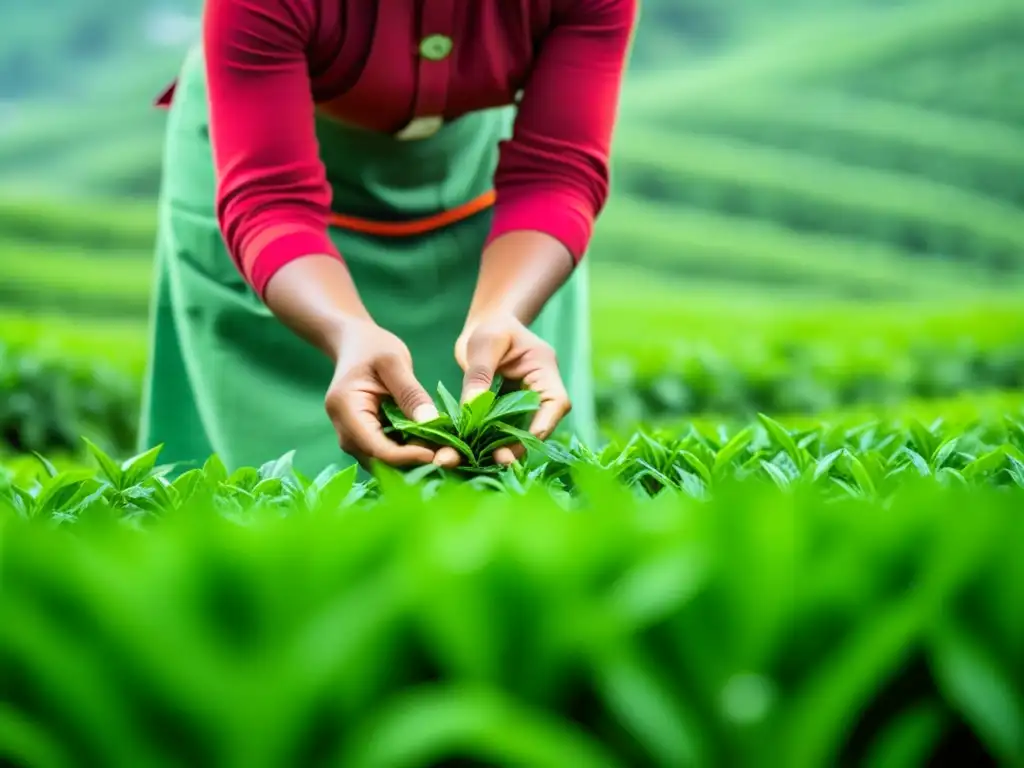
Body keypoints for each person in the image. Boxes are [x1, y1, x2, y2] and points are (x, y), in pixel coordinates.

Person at [139, 0, 638, 476]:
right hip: (262, 176)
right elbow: (271, 195)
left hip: (481, 200)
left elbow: (556, 173)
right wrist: (343, 331)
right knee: (268, 498)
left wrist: (501, 312)